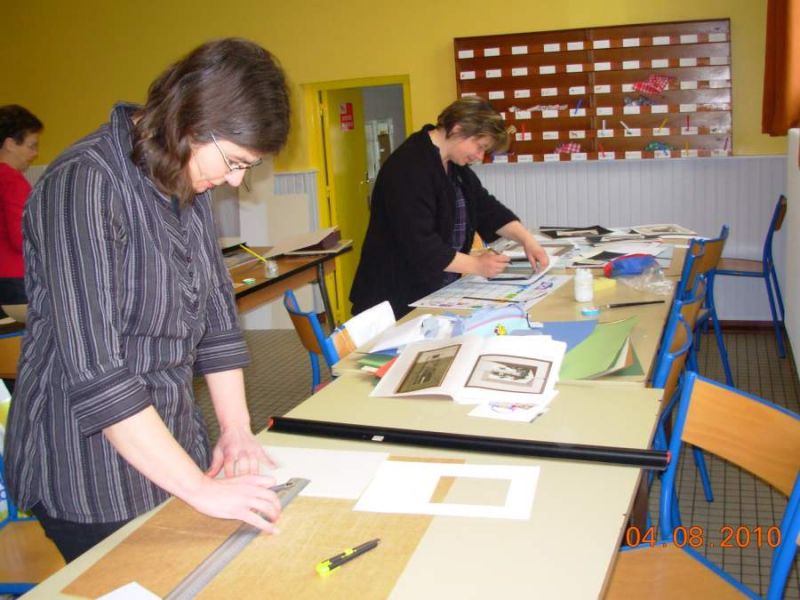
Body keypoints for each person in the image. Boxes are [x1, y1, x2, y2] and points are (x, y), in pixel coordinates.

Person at [4, 38, 291, 563]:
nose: (235, 179)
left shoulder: (185, 177)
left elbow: (218, 321)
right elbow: (98, 373)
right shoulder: (84, 183)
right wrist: (200, 490)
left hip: (168, 441)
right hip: (85, 468)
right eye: (234, 161)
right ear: (192, 121)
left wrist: (235, 431)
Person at [349, 96, 549, 318]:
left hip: (431, 292)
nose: (479, 156)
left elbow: (487, 209)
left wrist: (527, 241)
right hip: (393, 300)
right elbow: (422, 246)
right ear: (457, 128)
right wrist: (476, 265)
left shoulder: (454, 165)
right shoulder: (409, 167)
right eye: (480, 146)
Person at [0, 105, 43, 315]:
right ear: (10, 144)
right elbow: (22, 237)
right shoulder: (13, 181)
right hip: (15, 279)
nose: (35, 154)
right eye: (31, 146)